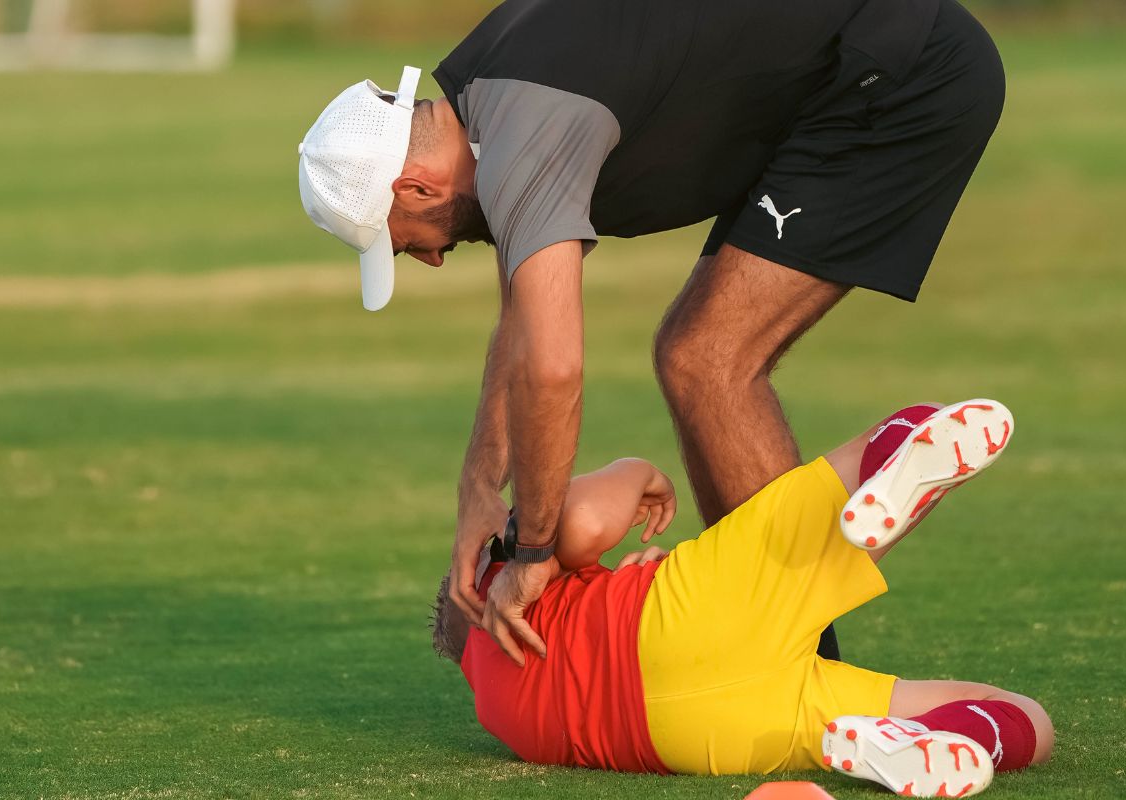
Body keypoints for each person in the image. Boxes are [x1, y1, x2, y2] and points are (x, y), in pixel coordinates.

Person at [296, 0, 1008, 666]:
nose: (428, 256)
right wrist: (481, 486)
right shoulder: (484, 93)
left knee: (707, 358)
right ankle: (788, 646)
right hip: (846, 78)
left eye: (401, 242)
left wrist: (536, 550)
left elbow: (552, 367)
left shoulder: (523, 136)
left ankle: (794, 665)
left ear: (416, 186)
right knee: (696, 355)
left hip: (899, 74)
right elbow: (521, 318)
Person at [430, 399, 1052, 797]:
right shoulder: (495, 579)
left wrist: (610, 579)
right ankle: (886, 487)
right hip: (680, 619)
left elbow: (585, 684)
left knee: (1024, 719)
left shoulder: (501, 719)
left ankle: (883, 744)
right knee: (920, 422)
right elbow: (586, 523)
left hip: (703, 736)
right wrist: (640, 470)